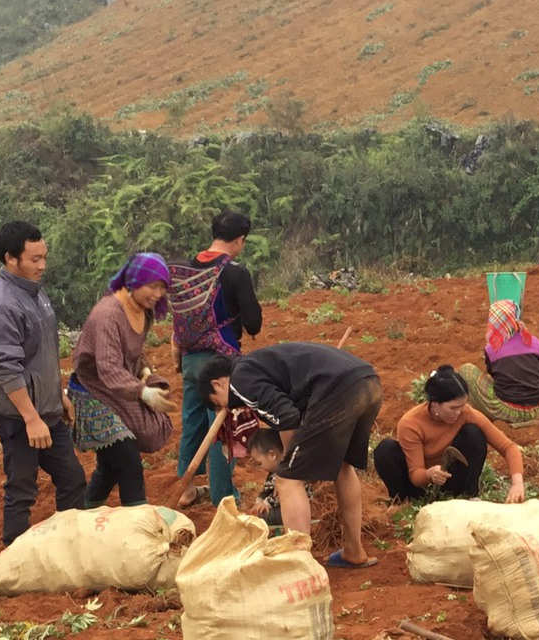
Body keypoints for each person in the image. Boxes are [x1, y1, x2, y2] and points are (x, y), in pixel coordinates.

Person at [201, 342, 382, 567]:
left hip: (339, 390)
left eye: (216, 403)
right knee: (344, 467)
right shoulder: (256, 364)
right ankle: (353, 551)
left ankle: (300, 564)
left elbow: (287, 418)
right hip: (368, 381)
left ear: (217, 384)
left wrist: (289, 466)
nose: (223, 409)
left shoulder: (240, 380)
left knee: (287, 479)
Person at [0, 220, 86, 546]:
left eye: (44, 257)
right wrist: (30, 418)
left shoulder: (34, 293)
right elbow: (5, 369)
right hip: (19, 416)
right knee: (22, 487)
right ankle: (15, 558)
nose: (43, 265)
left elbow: (41, 354)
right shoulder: (2, 306)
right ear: (11, 259)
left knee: (73, 479)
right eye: (35, 259)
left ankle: (70, 546)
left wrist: (58, 396)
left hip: (46, 410)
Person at [172, 211, 264, 509]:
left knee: (192, 420)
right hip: (221, 361)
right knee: (222, 426)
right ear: (239, 240)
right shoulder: (235, 273)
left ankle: (186, 488)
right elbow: (253, 323)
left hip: (189, 358)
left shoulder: (188, 267)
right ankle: (222, 495)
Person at [70, 251, 177, 508]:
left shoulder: (143, 311)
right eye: (152, 286)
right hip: (93, 391)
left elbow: (134, 352)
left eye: (163, 287)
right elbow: (107, 367)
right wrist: (143, 392)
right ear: (135, 281)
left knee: (110, 464)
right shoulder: (108, 314)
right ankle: (137, 518)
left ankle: (86, 512)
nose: (158, 293)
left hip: (119, 387)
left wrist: (146, 373)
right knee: (127, 456)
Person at [375, 366, 527, 504]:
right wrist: (429, 474)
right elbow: (415, 475)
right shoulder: (411, 423)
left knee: (473, 433)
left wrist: (517, 483)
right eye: (453, 408)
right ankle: (402, 502)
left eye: (462, 406)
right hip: (421, 486)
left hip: (451, 478)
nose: (458, 412)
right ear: (434, 403)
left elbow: (508, 447)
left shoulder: (465, 413)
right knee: (385, 450)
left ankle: (469, 495)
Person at [457, 299, 539, 423]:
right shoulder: (533, 341)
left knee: (467, 370)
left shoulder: (492, 348)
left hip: (508, 411)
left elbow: (492, 374)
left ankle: (483, 418)